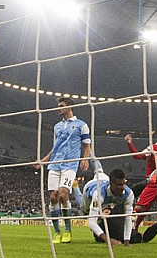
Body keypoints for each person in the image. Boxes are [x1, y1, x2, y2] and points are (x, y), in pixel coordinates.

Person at [34, 97, 91, 244]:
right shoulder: (57, 127)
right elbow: (55, 147)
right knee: (53, 197)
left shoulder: (81, 125)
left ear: (70, 107)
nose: (58, 108)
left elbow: (86, 146)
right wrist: (43, 161)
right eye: (58, 106)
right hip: (55, 164)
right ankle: (57, 232)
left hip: (70, 164)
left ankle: (67, 230)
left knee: (63, 194)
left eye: (61, 106)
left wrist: (85, 159)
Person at [87, 168, 136, 246]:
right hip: (89, 192)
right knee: (87, 213)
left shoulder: (128, 194)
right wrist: (107, 239)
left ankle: (98, 169)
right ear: (111, 184)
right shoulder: (98, 194)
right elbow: (91, 222)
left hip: (105, 189)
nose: (123, 187)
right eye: (119, 185)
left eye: (124, 184)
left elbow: (128, 218)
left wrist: (126, 241)